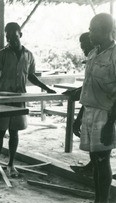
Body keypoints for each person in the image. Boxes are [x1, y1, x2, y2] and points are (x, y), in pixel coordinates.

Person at [0, 22, 56, 178]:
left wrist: (46, 88)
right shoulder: (2, 54)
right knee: (0, 132)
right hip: (3, 97)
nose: (11, 39)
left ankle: (11, 165)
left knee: (14, 132)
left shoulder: (28, 55)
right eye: (8, 36)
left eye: (14, 36)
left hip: (19, 97)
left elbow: (31, 76)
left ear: (20, 35)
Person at [79, 13, 116, 203]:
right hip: (90, 111)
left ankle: (103, 201)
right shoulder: (94, 53)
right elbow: (87, 86)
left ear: (106, 31)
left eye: (93, 30)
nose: (90, 33)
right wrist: (80, 116)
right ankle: (98, 200)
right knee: (95, 161)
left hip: (106, 114)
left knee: (102, 161)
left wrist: (110, 123)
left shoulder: (115, 55)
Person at [65, 32, 95, 176]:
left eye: (85, 47)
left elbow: (93, 89)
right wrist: (77, 91)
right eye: (82, 48)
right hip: (94, 105)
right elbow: (88, 86)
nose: (83, 51)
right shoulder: (92, 60)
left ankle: (96, 169)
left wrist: (78, 118)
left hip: (105, 106)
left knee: (101, 143)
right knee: (94, 141)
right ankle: (93, 166)